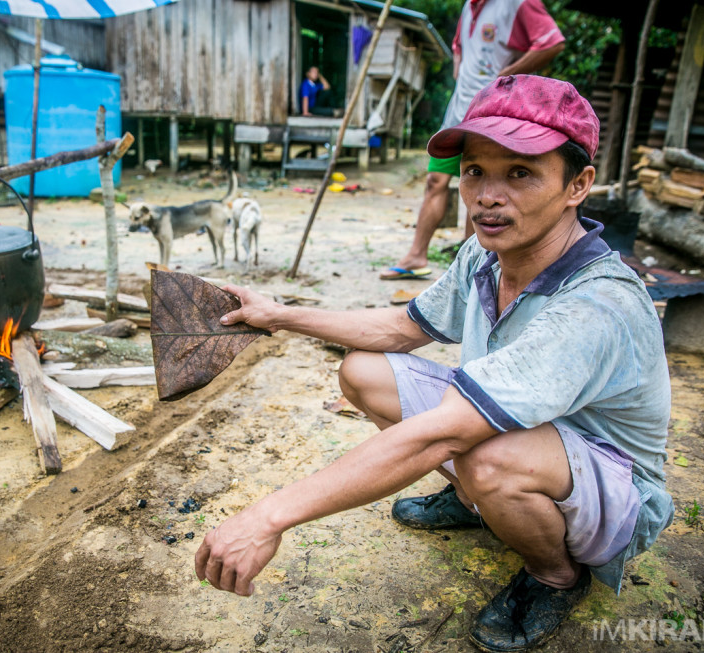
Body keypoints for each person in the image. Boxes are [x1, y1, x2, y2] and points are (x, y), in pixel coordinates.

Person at [195, 75, 673, 652]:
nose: (487, 196)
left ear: (578, 184)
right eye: (474, 171)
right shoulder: (486, 253)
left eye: (520, 173)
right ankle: (480, 502)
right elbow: (401, 328)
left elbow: (445, 433)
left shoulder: (596, 304)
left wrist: (267, 517)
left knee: (485, 453)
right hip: (530, 438)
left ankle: (554, 574)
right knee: (364, 371)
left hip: (615, 493)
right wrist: (279, 315)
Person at [381, 0, 565, 279]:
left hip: (495, 117)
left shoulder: (518, 3)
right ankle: (417, 255)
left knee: (482, 188)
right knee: (435, 180)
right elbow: (458, 45)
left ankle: (473, 267)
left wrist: (506, 75)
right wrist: (459, 69)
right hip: (458, 111)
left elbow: (552, 43)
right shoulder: (469, 7)